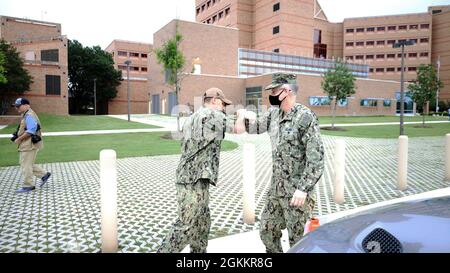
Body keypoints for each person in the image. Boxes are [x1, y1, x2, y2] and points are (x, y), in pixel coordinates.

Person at [236, 73, 325, 253]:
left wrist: (303, 188)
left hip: (296, 193)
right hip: (276, 190)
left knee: (298, 241)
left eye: (275, 90)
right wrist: (243, 115)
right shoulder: (273, 114)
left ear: (286, 91)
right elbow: (254, 128)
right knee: (267, 231)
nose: (272, 94)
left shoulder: (305, 117)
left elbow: (316, 158)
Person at [157, 87, 244, 253]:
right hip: (192, 180)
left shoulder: (191, 118)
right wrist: (240, 114)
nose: (224, 107)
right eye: (223, 104)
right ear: (214, 101)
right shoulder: (213, 115)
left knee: (202, 222)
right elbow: (238, 128)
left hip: (196, 178)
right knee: (186, 224)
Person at [11, 98, 51, 193]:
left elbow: (30, 131)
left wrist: (19, 139)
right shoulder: (26, 114)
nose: (17, 108)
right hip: (28, 144)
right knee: (26, 164)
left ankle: (28, 185)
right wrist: (17, 134)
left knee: (26, 166)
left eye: (18, 106)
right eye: (16, 106)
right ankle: (44, 175)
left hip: (29, 145)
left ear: (26, 105)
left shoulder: (29, 115)